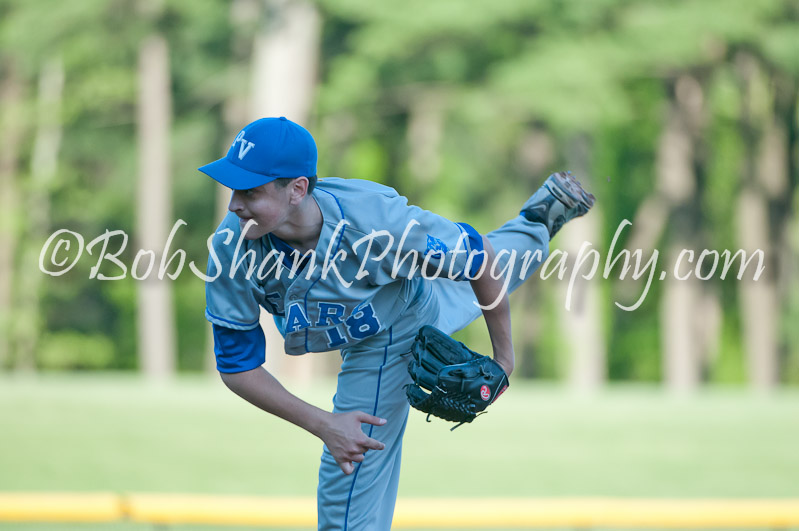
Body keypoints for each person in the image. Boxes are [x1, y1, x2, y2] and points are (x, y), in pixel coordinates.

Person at [198, 116, 594, 530]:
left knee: (349, 476)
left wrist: (505, 361)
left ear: (297, 189)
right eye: (232, 188)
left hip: (389, 330)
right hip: (393, 294)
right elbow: (238, 367)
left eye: (250, 191)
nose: (234, 204)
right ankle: (536, 222)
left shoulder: (376, 220)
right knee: (480, 277)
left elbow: (478, 259)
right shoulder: (232, 245)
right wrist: (323, 423)